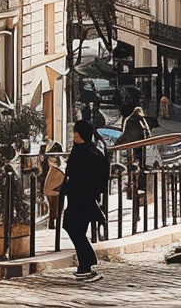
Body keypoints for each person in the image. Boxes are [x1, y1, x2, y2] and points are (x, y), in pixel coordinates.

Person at [62, 119, 108, 282]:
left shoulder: (84, 153)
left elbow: (74, 173)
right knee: (76, 229)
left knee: (72, 227)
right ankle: (85, 264)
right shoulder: (91, 150)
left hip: (81, 197)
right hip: (83, 197)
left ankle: (86, 263)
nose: (74, 136)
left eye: (76, 133)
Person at [39, 141, 65, 229]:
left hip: (48, 184)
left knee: (52, 205)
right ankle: (54, 222)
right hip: (54, 183)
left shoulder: (46, 161)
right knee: (56, 204)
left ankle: (52, 222)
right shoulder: (55, 163)